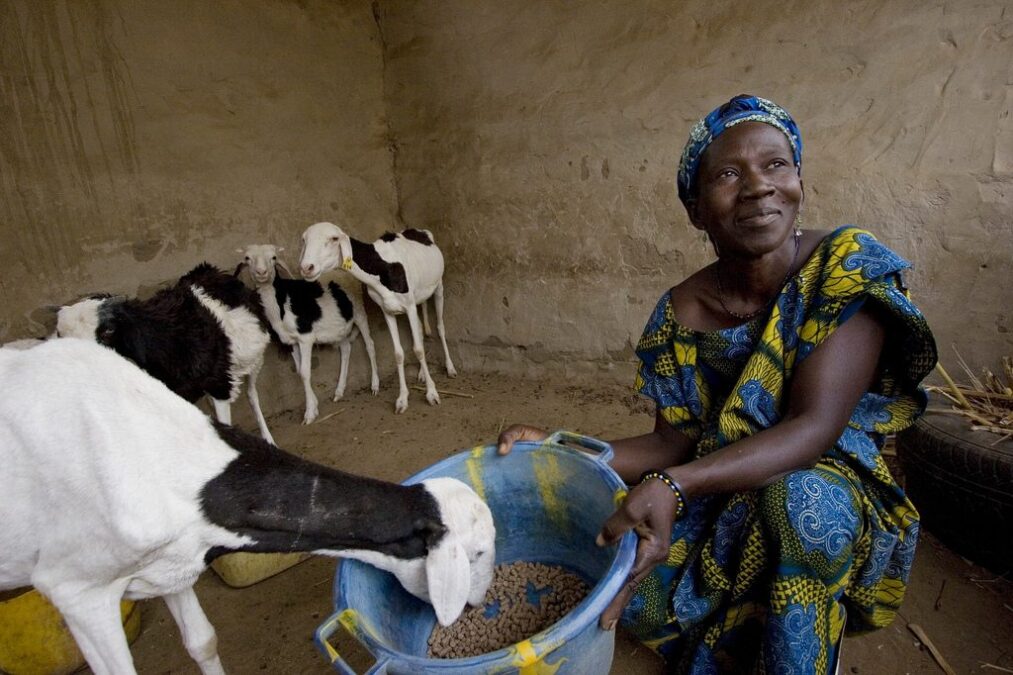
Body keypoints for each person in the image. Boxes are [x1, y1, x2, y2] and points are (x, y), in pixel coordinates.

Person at [497, 94, 937, 673]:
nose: (758, 187)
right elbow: (669, 444)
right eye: (728, 174)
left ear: (798, 178)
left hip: (826, 482)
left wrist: (673, 487)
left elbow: (814, 426)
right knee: (626, 584)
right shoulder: (680, 311)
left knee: (803, 506)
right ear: (696, 209)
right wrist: (561, 446)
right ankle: (752, 630)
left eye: (775, 164)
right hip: (716, 487)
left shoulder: (845, 265)